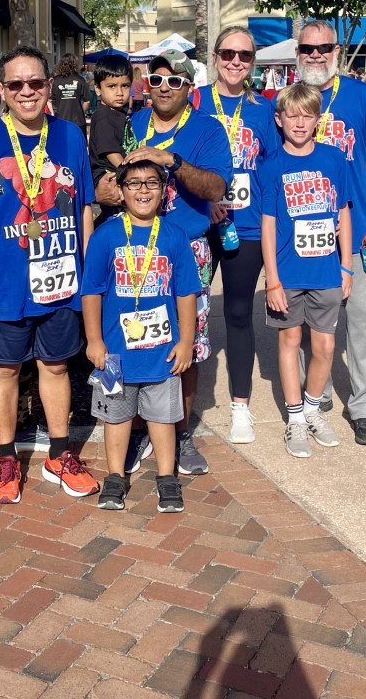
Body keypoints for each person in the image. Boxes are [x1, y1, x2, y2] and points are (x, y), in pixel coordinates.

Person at [0, 45, 98, 504]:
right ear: (1, 90)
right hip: (6, 285)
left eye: (35, 83)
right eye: (16, 85)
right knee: (5, 369)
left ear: (49, 85)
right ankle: (7, 458)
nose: (26, 92)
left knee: (55, 365)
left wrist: (92, 278)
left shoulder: (70, 135)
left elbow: (85, 208)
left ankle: (59, 453)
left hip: (62, 279)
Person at [125, 50, 232, 474]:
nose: (165, 88)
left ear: (190, 87)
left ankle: (182, 433)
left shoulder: (207, 129)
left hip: (187, 249)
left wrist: (174, 161)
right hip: (135, 249)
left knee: (189, 344)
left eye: (175, 81)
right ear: (147, 86)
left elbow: (216, 186)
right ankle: (137, 431)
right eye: (157, 80)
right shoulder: (134, 125)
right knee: (136, 336)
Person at [83, 160, 198, 513]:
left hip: (162, 352)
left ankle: (167, 477)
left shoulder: (174, 235)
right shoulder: (107, 235)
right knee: (115, 417)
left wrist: (186, 341)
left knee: (162, 418)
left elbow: (186, 292)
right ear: (120, 190)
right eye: (134, 183)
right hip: (115, 353)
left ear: (163, 191)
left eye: (151, 182)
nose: (143, 190)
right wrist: (94, 340)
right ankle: (115, 476)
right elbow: (91, 291)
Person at [297, 20, 366, 445]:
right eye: (307, 48)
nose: (315, 54)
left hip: (355, 229)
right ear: (298, 52)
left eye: (324, 47)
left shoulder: (362, 96)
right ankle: (320, 394)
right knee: (311, 321)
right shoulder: (287, 100)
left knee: (359, 322)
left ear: (337, 50)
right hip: (303, 234)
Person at [195, 27, 279, 445]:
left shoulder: (263, 111)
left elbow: (271, 167)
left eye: (244, 56)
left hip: (243, 227)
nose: (235, 62)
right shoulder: (194, 101)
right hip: (198, 222)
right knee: (189, 312)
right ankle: (173, 400)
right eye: (227, 53)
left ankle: (240, 407)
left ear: (253, 63)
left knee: (239, 315)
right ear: (214, 57)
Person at [260, 82, 352, 458]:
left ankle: (313, 410)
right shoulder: (272, 166)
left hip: (327, 271)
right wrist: (272, 281)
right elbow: (267, 225)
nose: (300, 123)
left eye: (307, 116)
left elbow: (343, 213)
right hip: (287, 272)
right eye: (292, 116)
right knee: (289, 341)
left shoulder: (333, 159)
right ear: (279, 119)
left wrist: (346, 266)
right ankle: (295, 419)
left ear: (318, 119)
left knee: (325, 345)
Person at [87, 53, 135, 224]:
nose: (120, 93)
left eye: (125, 86)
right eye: (112, 86)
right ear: (98, 89)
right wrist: (131, 173)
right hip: (109, 173)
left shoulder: (117, 112)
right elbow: (111, 153)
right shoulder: (104, 116)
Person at [49, 53, 89, 137]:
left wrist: (52, 113)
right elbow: (87, 101)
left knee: (60, 146)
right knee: (78, 147)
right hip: (78, 121)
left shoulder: (55, 81)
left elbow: (49, 100)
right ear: (75, 65)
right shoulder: (80, 80)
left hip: (59, 120)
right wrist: (81, 112)